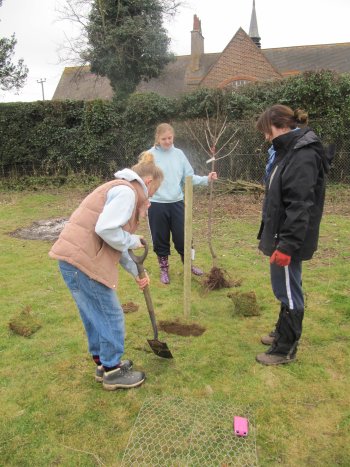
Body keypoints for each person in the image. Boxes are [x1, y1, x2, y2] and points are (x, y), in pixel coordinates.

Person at [49, 152, 163, 389]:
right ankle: (113, 372)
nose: (151, 200)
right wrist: (132, 240)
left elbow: (113, 240)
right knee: (110, 316)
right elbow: (107, 230)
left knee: (95, 316)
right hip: (83, 264)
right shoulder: (127, 193)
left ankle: (104, 363)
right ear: (148, 182)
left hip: (73, 261)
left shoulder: (119, 188)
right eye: (154, 193)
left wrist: (135, 271)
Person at [255, 104, 333, 365]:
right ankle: (281, 332)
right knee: (285, 287)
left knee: (288, 289)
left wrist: (286, 246)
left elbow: (300, 205)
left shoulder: (301, 155)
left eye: (267, 131)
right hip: (282, 234)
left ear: (281, 126)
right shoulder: (288, 150)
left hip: (288, 238)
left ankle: (284, 349)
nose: (266, 137)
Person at [147, 123, 218, 284]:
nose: (167, 141)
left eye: (170, 138)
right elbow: (142, 179)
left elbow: (189, 177)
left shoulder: (179, 154)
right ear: (157, 138)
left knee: (183, 236)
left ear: (173, 137)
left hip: (177, 202)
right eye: (164, 138)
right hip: (156, 204)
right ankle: (164, 269)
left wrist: (206, 179)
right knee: (160, 238)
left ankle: (189, 265)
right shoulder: (149, 156)